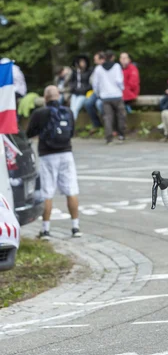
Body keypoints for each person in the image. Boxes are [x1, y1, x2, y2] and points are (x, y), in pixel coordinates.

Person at [26, 85, 81, 239]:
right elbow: (71, 132)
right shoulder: (68, 112)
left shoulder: (39, 113)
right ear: (58, 96)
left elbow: (29, 133)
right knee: (71, 190)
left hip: (47, 155)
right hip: (66, 154)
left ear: (45, 98)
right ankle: (75, 227)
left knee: (47, 192)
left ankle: (46, 230)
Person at [92, 50, 126, 144]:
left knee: (108, 117)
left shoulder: (98, 69)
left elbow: (95, 84)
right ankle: (121, 135)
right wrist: (121, 89)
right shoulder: (116, 67)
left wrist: (98, 93)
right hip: (117, 95)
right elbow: (119, 80)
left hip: (105, 96)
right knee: (120, 115)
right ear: (113, 57)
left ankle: (109, 137)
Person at [69, 54, 92, 121]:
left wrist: (84, 89)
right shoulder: (75, 72)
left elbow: (90, 84)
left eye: (84, 62)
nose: (83, 64)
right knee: (72, 108)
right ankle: (71, 122)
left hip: (84, 93)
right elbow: (71, 82)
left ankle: (72, 123)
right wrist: (74, 88)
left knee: (75, 108)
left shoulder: (89, 72)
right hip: (75, 93)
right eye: (81, 62)